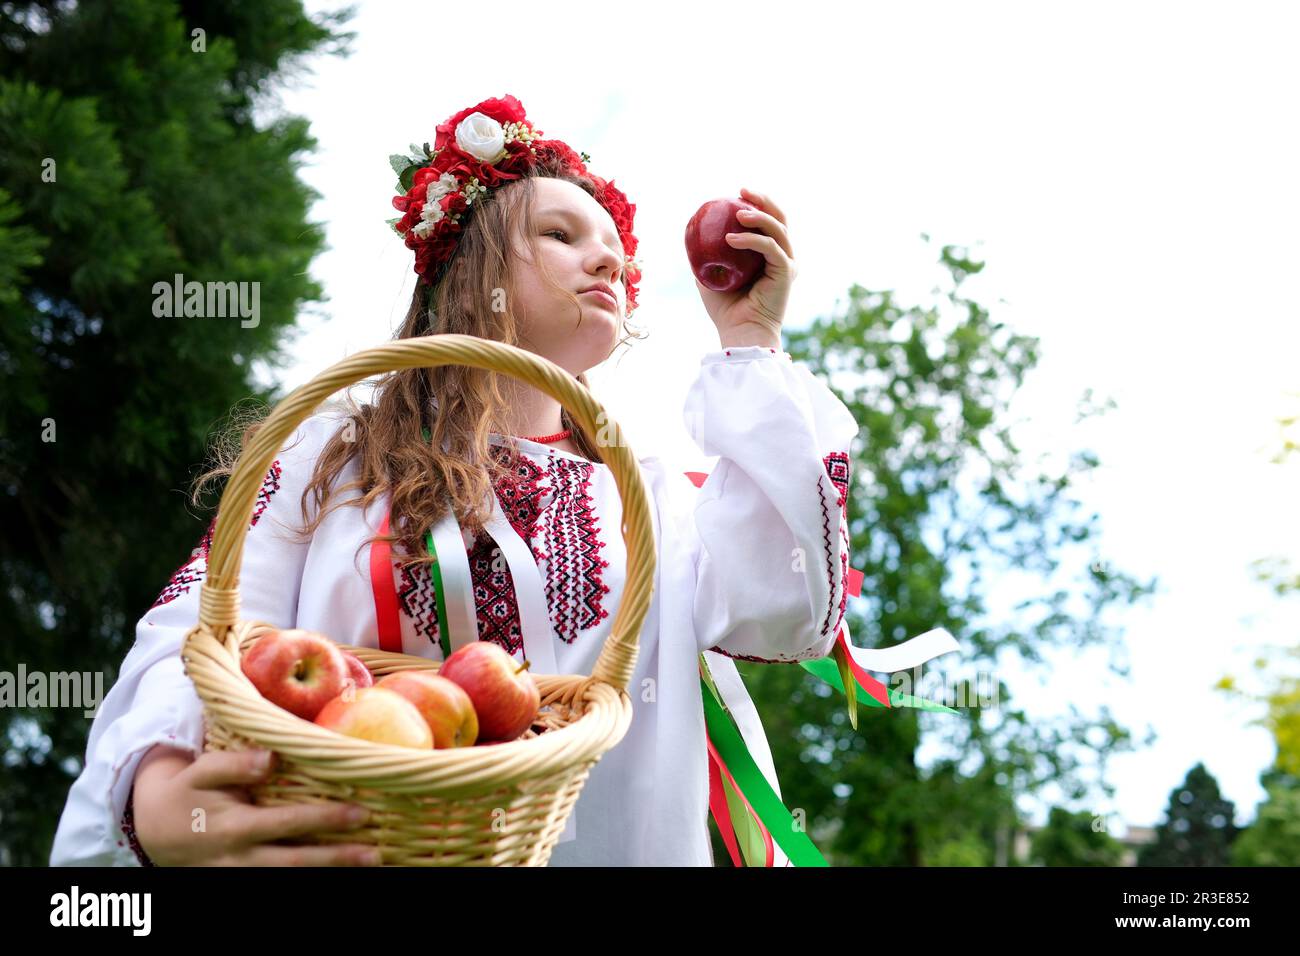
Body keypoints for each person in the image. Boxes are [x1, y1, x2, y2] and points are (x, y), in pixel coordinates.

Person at [49, 94, 859, 866]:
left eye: (612, 243)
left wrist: (752, 342)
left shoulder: (644, 495)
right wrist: (155, 797)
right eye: (560, 232)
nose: (608, 255)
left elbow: (787, 614)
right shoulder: (335, 452)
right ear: (472, 268)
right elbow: (203, 629)